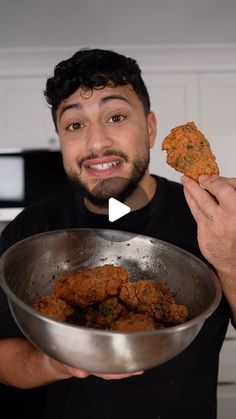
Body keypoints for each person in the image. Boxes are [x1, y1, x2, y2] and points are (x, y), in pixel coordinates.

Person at [0, 48, 235, 419]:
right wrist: (59, 362)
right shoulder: (30, 229)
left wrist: (229, 259)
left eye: (116, 116)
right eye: (75, 125)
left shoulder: (217, 218)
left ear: (151, 128)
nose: (96, 143)